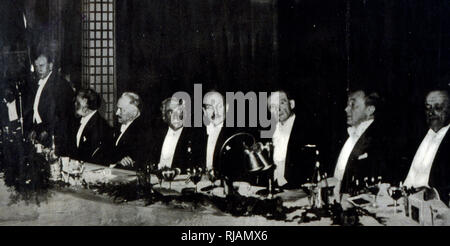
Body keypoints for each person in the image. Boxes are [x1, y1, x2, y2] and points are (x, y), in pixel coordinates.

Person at [325, 89, 389, 195]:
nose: (346, 109)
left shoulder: (379, 140)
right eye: (347, 104)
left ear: (370, 110)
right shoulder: (349, 134)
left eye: (353, 104)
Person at [403, 89, 450, 205]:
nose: (431, 112)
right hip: (402, 202)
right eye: (428, 108)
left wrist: (434, 192)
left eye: (438, 108)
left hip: (433, 208)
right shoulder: (415, 134)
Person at [263, 90, 318, 189]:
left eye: (282, 103)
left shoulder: (307, 128)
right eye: (272, 107)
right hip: (275, 188)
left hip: (298, 190)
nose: (278, 109)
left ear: (291, 104)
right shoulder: (268, 132)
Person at [25, 51, 75, 156]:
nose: (39, 69)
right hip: (41, 132)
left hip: (56, 135)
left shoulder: (60, 84)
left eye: (42, 65)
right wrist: (34, 128)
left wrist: (47, 130)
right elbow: (35, 109)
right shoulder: (38, 83)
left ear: (51, 65)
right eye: (36, 66)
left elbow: (62, 114)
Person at [149, 97, 202, 173]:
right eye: (170, 112)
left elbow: (197, 163)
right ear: (164, 117)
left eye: (179, 111)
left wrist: (177, 171)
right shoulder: (156, 134)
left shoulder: (194, 135)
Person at [70, 88, 112, 164]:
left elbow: (94, 156)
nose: (75, 104)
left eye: (77, 102)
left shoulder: (100, 126)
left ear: (86, 106)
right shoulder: (79, 119)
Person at [110, 92, 149, 170]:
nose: (117, 113)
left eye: (120, 109)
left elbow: (139, 161)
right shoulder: (119, 126)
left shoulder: (142, 131)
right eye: (117, 108)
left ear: (133, 112)